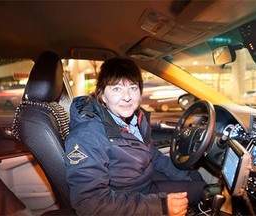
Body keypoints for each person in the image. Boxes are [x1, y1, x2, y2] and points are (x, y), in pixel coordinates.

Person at [64, 57, 207, 216]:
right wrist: (160, 207)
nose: (127, 97)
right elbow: (88, 203)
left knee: (201, 185)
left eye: (132, 88)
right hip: (126, 200)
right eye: (117, 89)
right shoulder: (87, 136)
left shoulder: (134, 119)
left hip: (143, 184)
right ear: (102, 95)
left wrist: (188, 176)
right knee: (202, 193)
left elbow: (152, 155)